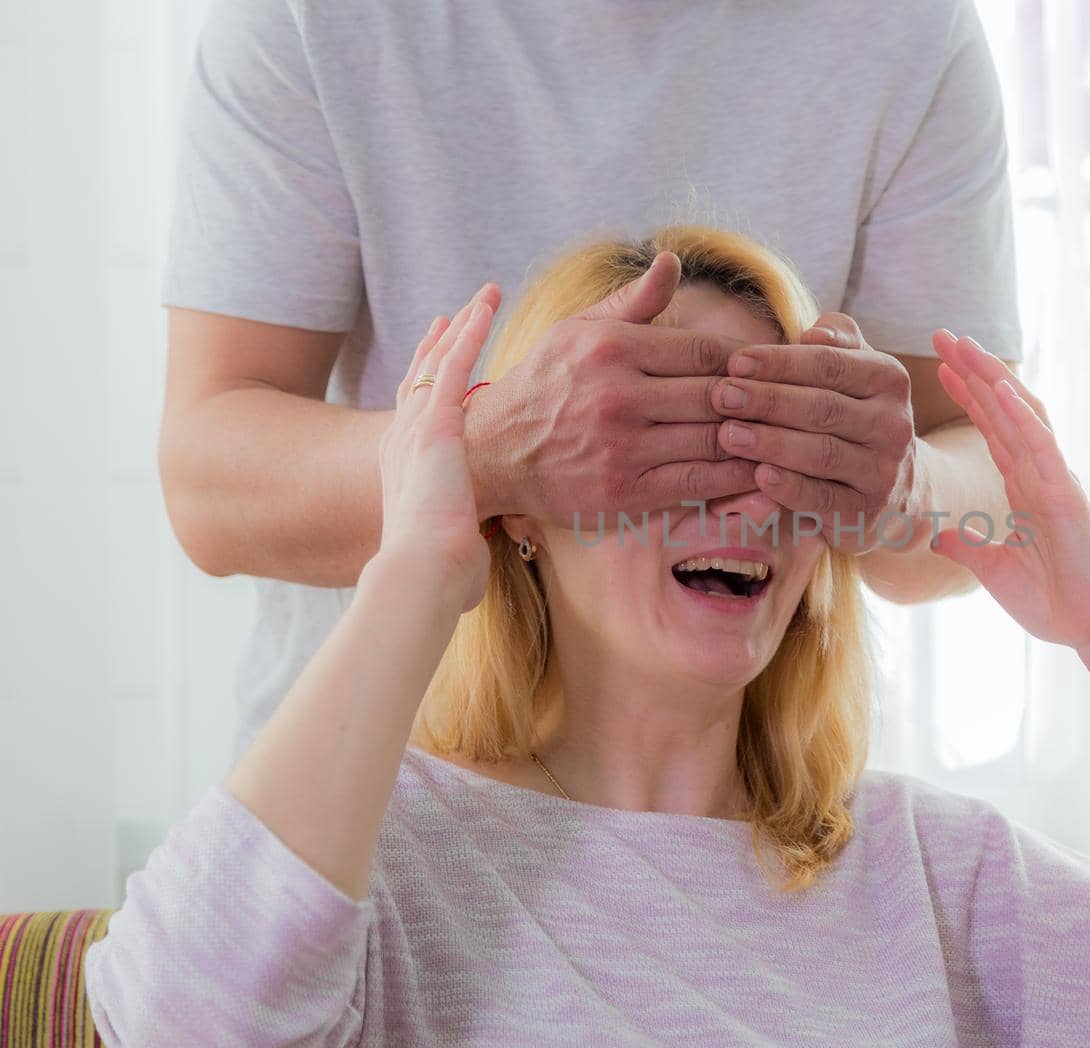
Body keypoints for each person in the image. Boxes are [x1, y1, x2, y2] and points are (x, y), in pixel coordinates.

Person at [86, 227, 1090, 1046]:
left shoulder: (934, 875)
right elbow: (178, 1024)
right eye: (666, 434)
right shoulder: (392, 867)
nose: (735, 489)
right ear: (529, 513)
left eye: (775, 442)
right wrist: (422, 553)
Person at [158, 0, 1026, 756]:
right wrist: (488, 453)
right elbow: (209, 488)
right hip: (368, 787)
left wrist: (906, 487)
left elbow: (992, 483)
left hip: (769, 814)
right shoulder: (310, 16)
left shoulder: (910, 26)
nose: (742, 505)